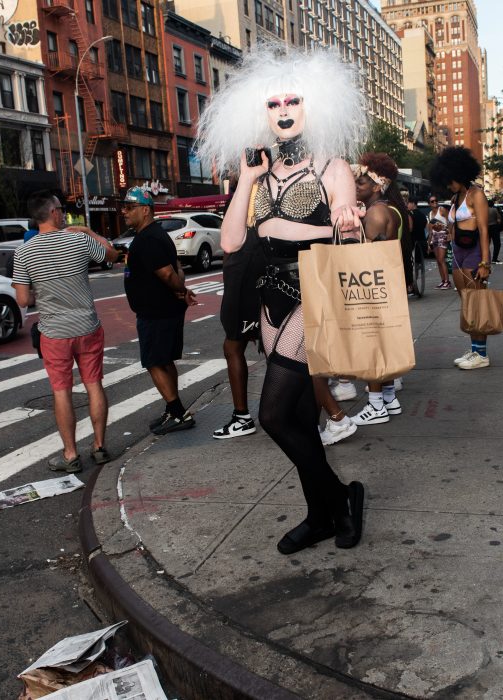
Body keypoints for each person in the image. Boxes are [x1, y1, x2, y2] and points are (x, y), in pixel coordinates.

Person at [197, 46, 366, 555]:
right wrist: (247, 180)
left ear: (314, 105)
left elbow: (345, 230)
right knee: (299, 416)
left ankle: (341, 499)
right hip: (270, 300)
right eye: (273, 104)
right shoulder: (259, 176)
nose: (284, 110)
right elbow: (231, 241)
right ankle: (321, 514)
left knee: (271, 415)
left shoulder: (332, 167)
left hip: (314, 295)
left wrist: (344, 221)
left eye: (293, 100)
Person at [12, 190, 119, 472]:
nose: (64, 213)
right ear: (53, 213)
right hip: (87, 326)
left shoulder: (23, 252)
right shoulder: (78, 239)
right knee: (93, 384)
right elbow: (112, 253)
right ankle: (99, 446)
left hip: (54, 332)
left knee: (61, 392)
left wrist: (42, 292)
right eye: (61, 209)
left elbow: (22, 300)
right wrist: (88, 230)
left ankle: (70, 455)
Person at [122, 186, 198, 435]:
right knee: (164, 360)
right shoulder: (154, 234)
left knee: (154, 362)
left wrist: (181, 289)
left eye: (130, 207)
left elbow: (168, 273)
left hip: (156, 312)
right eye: (124, 207)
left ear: (145, 210)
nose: (125, 212)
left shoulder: (149, 239)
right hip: (163, 309)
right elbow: (175, 266)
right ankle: (171, 409)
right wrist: (181, 290)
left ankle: (178, 413)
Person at [349, 152, 406, 425]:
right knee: (383, 344)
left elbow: (367, 261)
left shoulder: (374, 213)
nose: (355, 186)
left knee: (371, 345)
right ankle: (389, 397)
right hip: (387, 287)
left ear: (376, 186)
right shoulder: (390, 210)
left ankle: (375, 406)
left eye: (360, 183)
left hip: (372, 289)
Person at [430, 147, 492, 370]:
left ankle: (482, 354)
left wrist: (485, 262)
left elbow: (484, 230)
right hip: (457, 251)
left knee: (476, 303)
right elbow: (453, 226)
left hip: (474, 252)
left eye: (451, 181)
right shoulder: (456, 197)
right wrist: (445, 230)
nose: (449, 185)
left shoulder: (477, 194)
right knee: (467, 304)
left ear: (460, 173)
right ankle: (475, 349)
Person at [213, 218, 265, 439]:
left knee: (233, 347)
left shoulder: (242, 202)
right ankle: (289, 410)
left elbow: (229, 244)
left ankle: (242, 417)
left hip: (244, 275)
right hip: (266, 269)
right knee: (278, 346)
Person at [426, 195, 451, 289]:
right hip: (435, 237)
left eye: (436, 200)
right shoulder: (430, 214)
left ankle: (447, 281)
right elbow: (430, 230)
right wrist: (429, 243)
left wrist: (449, 233)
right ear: (429, 204)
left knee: (441, 259)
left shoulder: (442, 210)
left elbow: (450, 221)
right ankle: (443, 280)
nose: (435, 202)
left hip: (443, 236)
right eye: (432, 201)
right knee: (438, 260)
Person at [486, 199, 503, 265]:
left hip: (486, 228)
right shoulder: (494, 210)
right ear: (492, 204)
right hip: (494, 227)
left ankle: (486, 258)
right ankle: (494, 258)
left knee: (486, 244)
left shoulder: (484, 210)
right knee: (497, 244)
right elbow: (498, 219)